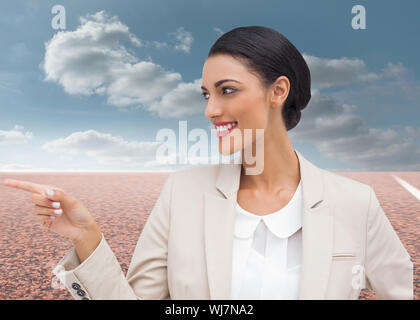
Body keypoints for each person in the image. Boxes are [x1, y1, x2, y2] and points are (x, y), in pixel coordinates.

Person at [3, 26, 413, 300]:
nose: (211, 110)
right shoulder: (183, 194)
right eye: (205, 95)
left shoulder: (355, 203)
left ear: (279, 91)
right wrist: (86, 236)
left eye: (227, 90)